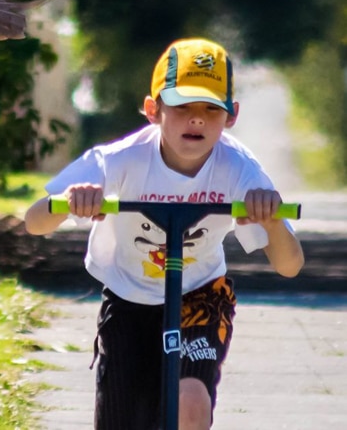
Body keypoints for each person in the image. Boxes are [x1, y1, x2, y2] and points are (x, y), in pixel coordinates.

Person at [24, 38, 304, 430]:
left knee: (190, 404)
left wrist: (272, 221)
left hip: (200, 296)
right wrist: (70, 201)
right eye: (182, 107)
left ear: (232, 115)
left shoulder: (240, 169)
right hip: (129, 298)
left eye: (211, 109)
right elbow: (33, 221)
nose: (197, 119)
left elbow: (290, 266)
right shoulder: (122, 159)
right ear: (154, 110)